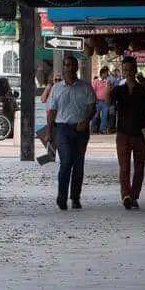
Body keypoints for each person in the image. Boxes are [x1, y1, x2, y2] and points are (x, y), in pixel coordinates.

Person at [45, 54, 96, 211]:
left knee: (78, 164)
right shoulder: (56, 89)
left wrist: (86, 120)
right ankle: (62, 197)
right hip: (62, 129)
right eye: (67, 65)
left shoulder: (86, 87)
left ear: (77, 67)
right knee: (66, 162)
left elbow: (92, 108)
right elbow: (52, 111)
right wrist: (49, 132)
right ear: (63, 67)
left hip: (81, 130)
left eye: (73, 65)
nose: (70, 68)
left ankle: (75, 197)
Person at [110, 55, 145, 210]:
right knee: (124, 166)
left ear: (136, 70)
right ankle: (126, 195)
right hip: (123, 133)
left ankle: (134, 195)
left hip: (141, 134)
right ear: (122, 71)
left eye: (131, 69)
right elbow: (108, 102)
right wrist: (107, 89)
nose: (128, 72)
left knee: (139, 167)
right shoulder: (118, 90)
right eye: (125, 70)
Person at [91, 67, 111, 134]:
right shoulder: (96, 81)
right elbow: (93, 91)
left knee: (104, 116)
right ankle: (93, 129)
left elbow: (109, 90)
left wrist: (109, 86)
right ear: (102, 74)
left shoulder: (107, 82)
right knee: (95, 116)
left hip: (105, 102)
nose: (107, 75)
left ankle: (102, 130)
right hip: (97, 101)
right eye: (106, 73)